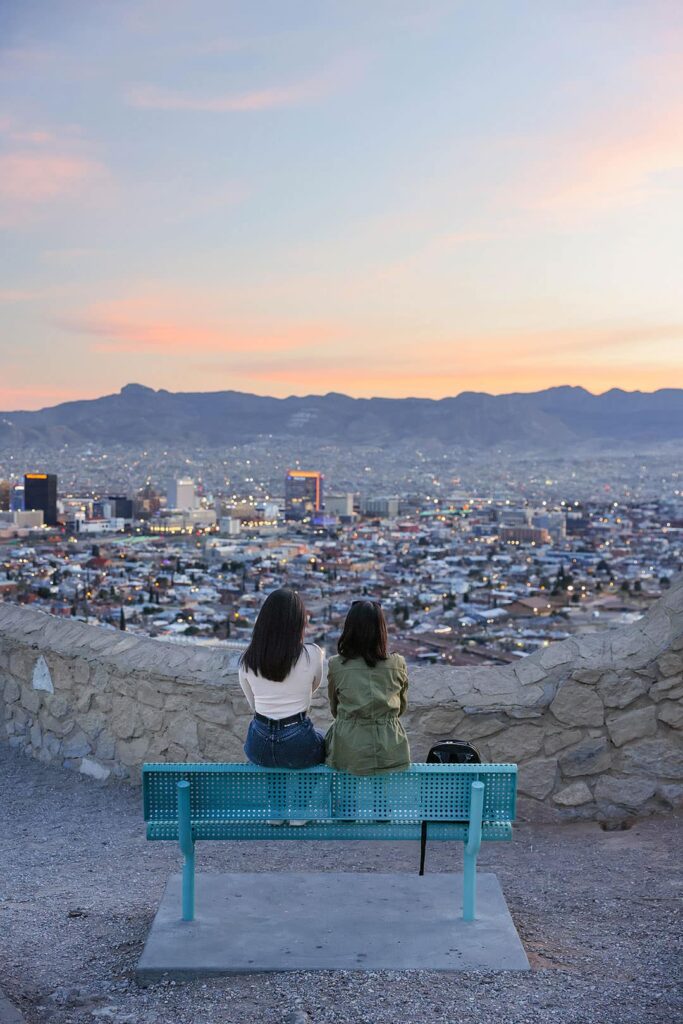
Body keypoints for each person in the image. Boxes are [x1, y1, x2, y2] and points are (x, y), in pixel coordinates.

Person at [239, 587, 325, 769]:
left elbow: (254, 705)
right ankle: (305, 798)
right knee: (324, 741)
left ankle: (274, 797)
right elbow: (313, 686)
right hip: (298, 740)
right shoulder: (313, 654)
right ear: (298, 622)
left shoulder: (248, 660)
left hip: (258, 742)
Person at [325, 600, 410, 775]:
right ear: (381, 629)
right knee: (384, 800)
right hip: (391, 748)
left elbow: (335, 708)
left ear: (349, 628)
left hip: (348, 748)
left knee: (347, 797)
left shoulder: (336, 665)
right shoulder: (397, 663)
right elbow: (401, 707)